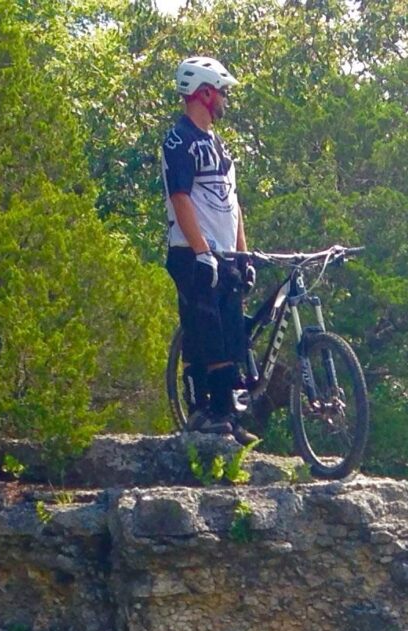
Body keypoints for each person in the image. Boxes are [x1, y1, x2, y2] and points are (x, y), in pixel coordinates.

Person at [162, 56, 250, 435]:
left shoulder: (219, 143)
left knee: (232, 334)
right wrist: (201, 251)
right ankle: (205, 414)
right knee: (207, 332)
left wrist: (243, 252)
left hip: (225, 254)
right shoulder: (179, 140)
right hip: (193, 253)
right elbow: (181, 198)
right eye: (222, 93)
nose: (225, 101)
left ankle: (227, 416)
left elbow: (233, 202)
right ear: (205, 93)